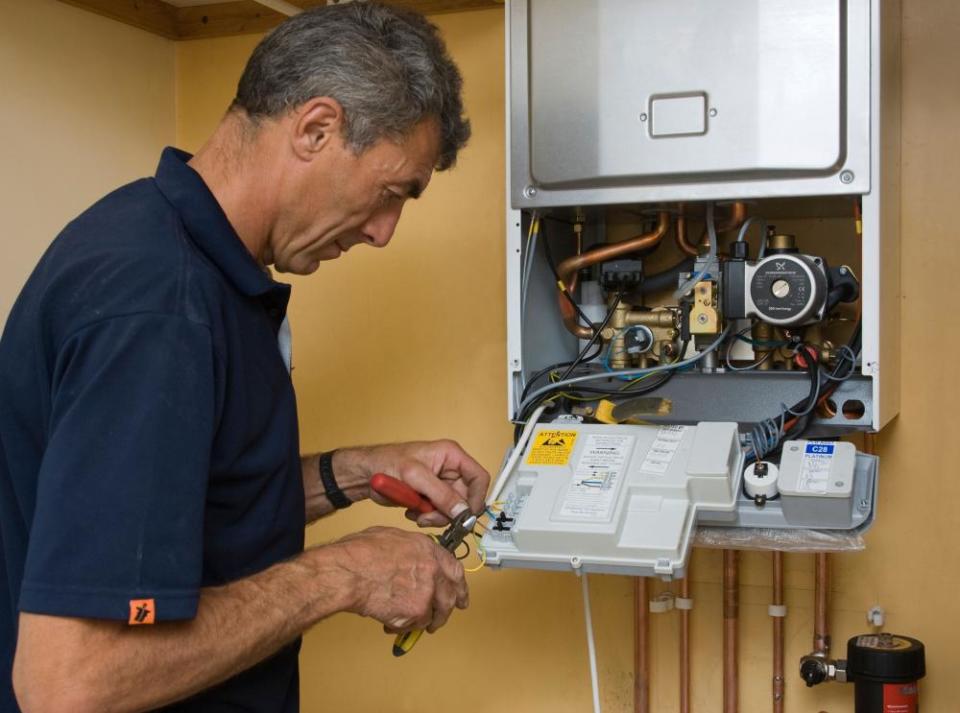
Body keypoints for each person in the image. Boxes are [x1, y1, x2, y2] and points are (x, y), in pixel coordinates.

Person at [0, 4, 488, 711]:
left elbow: (178, 506)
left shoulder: (176, 250)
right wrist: (344, 574)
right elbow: (68, 683)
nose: (385, 233)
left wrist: (351, 475)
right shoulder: (160, 307)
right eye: (390, 194)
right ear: (316, 129)